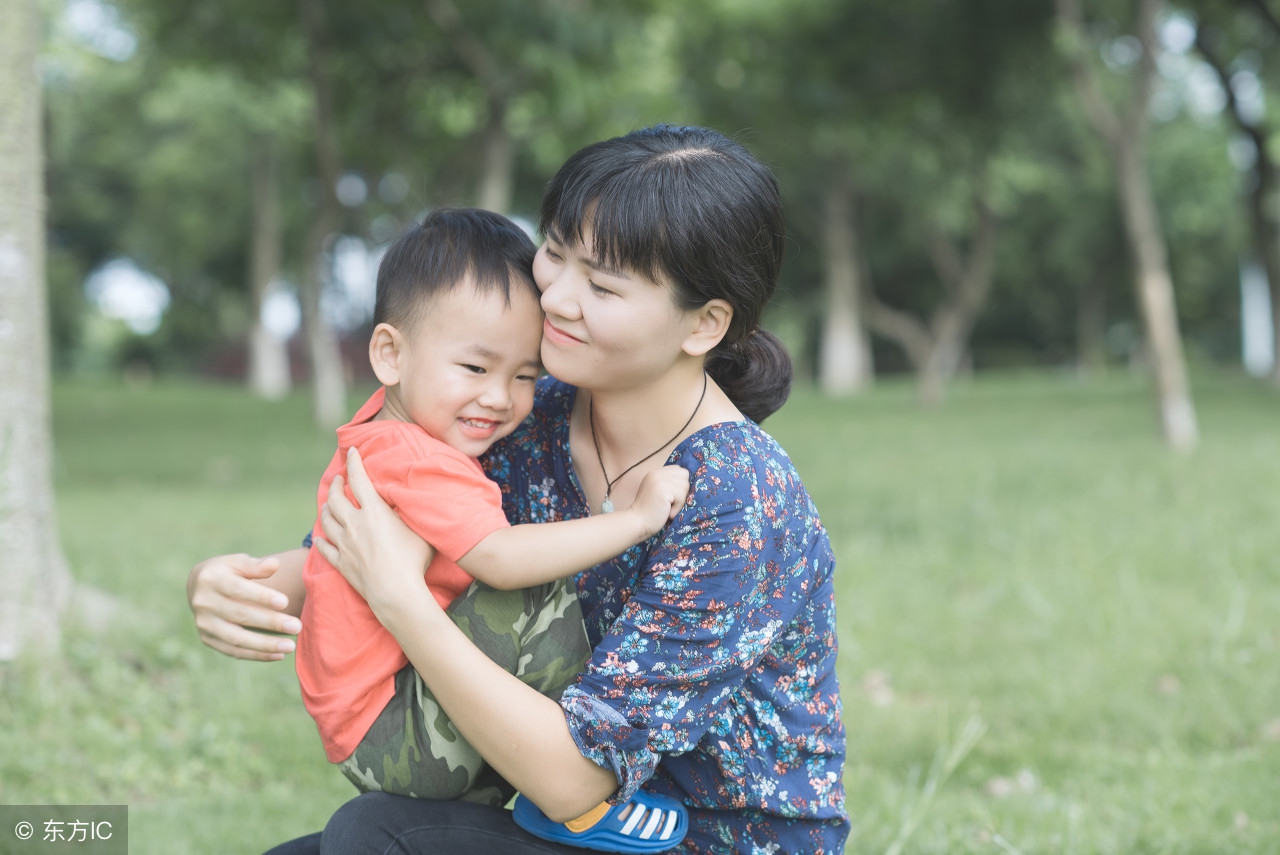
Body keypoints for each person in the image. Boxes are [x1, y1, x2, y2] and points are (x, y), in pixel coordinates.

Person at [187, 124, 850, 854]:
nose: (557, 297)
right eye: (556, 253)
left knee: (374, 836)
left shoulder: (738, 499)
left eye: (601, 284)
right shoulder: (528, 409)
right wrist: (236, 581)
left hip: (696, 838)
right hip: (567, 822)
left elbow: (575, 778)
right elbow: (371, 546)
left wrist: (404, 606)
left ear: (705, 323)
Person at [295, 207, 691, 843]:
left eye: (525, 375)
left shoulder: (384, 430)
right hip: (394, 733)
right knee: (530, 584)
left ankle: (539, 785)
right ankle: (583, 794)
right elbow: (501, 558)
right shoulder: (417, 459)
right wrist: (637, 519)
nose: (501, 398)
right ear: (389, 353)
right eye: (475, 369)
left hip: (376, 723)